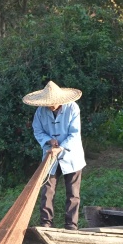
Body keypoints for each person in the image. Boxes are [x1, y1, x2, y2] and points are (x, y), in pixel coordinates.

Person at [22, 81, 86, 230]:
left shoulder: (72, 108)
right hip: (49, 156)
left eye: (53, 103)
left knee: (73, 193)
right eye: (48, 103)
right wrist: (48, 141)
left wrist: (61, 148)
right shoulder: (40, 111)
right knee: (47, 191)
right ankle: (46, 224)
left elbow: (74, 134)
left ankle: (71, 226)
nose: (51, 105)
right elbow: (37, 131)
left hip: (71, 156)